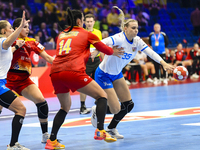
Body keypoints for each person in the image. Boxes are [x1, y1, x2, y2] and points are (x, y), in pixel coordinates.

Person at [45, 8, 124, 149]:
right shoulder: (87, 34)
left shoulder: (61, 34)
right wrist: (114, 51)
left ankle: (52, 141)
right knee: (102, 96)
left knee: (64, 107)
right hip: (72, 71)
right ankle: (100, 130)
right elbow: (105, 50)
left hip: (55, 72)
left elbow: (71, 50)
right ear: (79, 21)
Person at [90, 6, 174, 139]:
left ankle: (111, 128)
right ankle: (98, 109)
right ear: (125, 29)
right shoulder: (118, 38)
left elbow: (150, 52)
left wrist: (163, 63)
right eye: (133, 28)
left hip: (117, 74)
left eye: (137, 28)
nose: (136, 30)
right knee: (116, 109)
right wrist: (96, 51)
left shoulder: (137, 41)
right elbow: (101, 42)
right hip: (103, 74)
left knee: (128, 105)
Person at [4, 17, 54, 143]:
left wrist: (65, 63)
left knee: (41, 101)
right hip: (7, 79)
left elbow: (48, 57)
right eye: (24, 26)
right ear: (17, 28)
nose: (28, 29)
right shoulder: (9, 40)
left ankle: (45, 135)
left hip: (24, 80)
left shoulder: (32, 42)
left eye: (28, 26)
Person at [0, 11, 30, 150]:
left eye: (13, 28)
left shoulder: (5, 47)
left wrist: (17, 46)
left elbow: (7, 51)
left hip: (2, 83)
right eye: (10, 28)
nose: (12, 30)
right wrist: (20, 27)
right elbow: (7, 43)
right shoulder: (2, 41)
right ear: (3, 31)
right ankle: (13, 145)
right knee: (21, 109)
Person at [79, 13, 104, 115]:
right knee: (83, 84)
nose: (89, 23)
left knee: (98, 82)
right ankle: (82, 106)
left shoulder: (98, 32)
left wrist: (104, 61)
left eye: (91, 21)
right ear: (84, 22)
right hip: (85, 62)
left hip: (97, 60)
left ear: (94, 22)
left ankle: (99, 101)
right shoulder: (81, 32)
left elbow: (101, 47)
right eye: (87, 21)